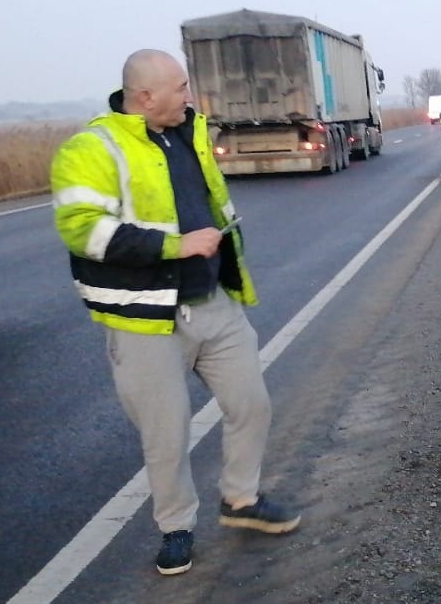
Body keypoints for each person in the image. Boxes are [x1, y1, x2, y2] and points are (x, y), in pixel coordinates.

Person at [50, 49, 300, 576]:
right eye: (181, 88)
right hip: (146, 318)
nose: (190, 97)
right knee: (166, 435)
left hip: (214, 304)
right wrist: (175, 246)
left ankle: (241, 499)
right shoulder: (92, 149)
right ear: (146, 97)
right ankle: (176, 528)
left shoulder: (190, 133)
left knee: (251, 403)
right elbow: (82, 229)